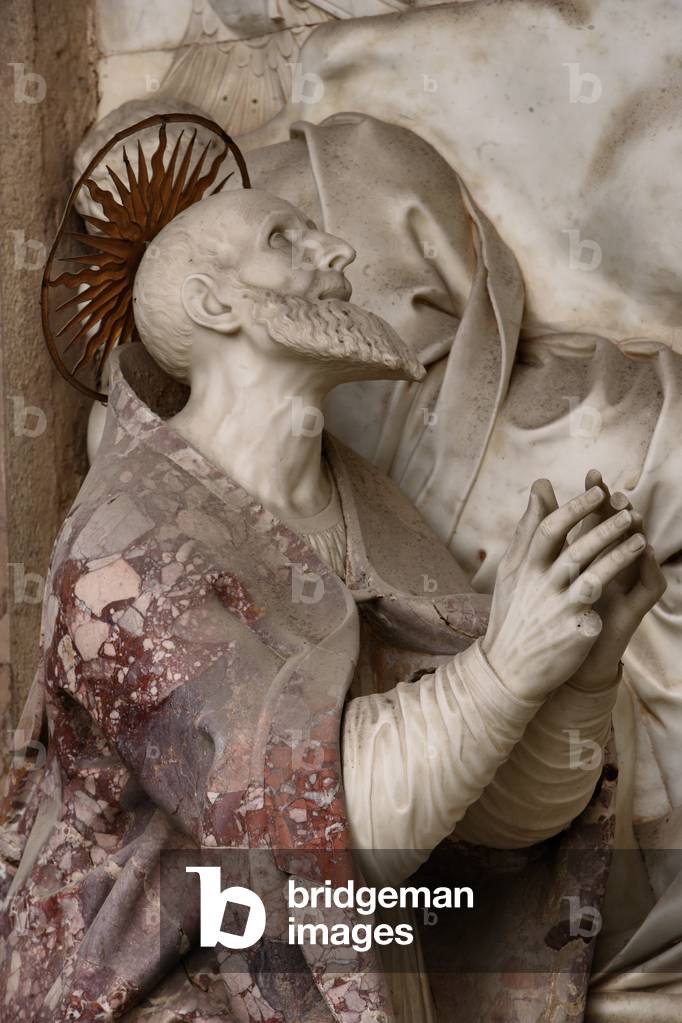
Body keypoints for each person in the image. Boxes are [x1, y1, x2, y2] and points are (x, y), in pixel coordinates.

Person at [0, 184, 663, 1022]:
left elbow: (486, 821)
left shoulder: (366, 508)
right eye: (288, 237)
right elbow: (310, 829)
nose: (339, 253)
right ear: (215, 302)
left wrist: (575, 666)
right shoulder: (123, 551)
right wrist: (503, 669)